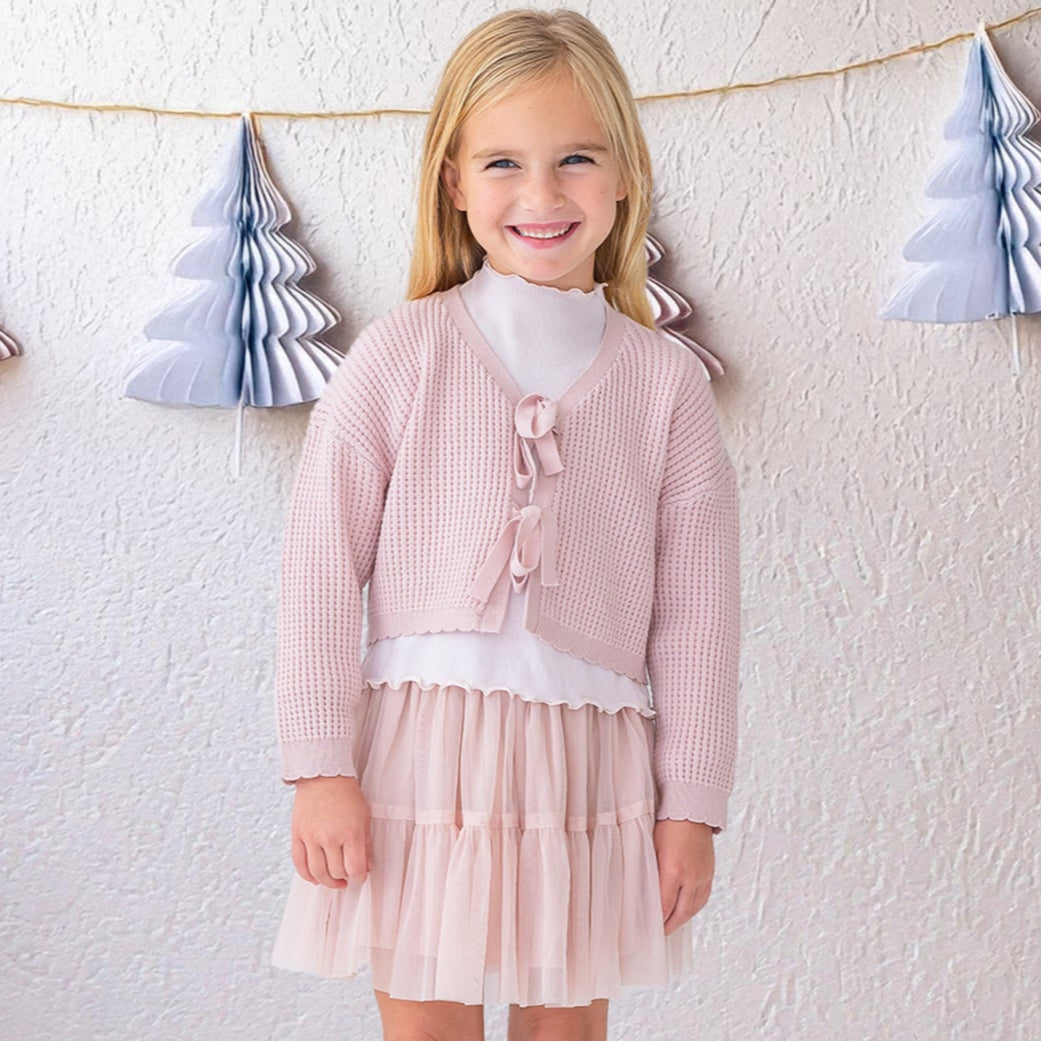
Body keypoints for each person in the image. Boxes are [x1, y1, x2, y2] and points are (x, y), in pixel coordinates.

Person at [270, 9, 740, 1041]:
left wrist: (691, 807)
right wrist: (320, 769)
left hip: (591, 764)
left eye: (576, 158)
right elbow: (317, 566)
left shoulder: (664, 385)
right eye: (502, 164)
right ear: (453, 181)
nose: (540, 195)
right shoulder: (399, 355)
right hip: (418, 759)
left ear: (625, 175)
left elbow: (699, 616)